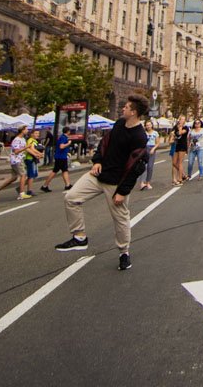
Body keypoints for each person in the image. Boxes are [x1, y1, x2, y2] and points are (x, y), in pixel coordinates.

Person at [56, 95, 150, 272]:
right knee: (71, 197)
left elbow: (137, 167)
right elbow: (104, 144)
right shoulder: (119, 124)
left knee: (120, 218)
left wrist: (122, 191)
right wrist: (97, 160)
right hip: (98, 174)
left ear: (134, 112)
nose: (123, 109)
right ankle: (80, 237)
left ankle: (124, 252)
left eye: (126, 107)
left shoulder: (139, 136)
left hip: (116, 183)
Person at [0, 125, 28, 201]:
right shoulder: (16, 140)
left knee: (14, 178)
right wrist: (26, 148)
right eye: (26, 129)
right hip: (17, 160)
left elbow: (26, 148)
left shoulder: (23, 139)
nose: (27, 131)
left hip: (19, 159)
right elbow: (16, 151)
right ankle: (21, 194)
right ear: (22, 130)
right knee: (23, 175)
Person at [41, 127, 73, 192]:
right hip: (61, 157)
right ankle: (45, 185)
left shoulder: (63, 137)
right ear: (68, 131)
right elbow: (61, 146)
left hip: (61, 156)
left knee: (64, 170)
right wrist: (68, 143)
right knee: (56, 171)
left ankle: (67, 184)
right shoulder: (64, 138)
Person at [22, 129, 44, 198]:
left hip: (33, 159)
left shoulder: (34, 141)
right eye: (36, 133)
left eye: (38, 133)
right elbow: (31, 149)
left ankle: (22, 186)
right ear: (31, 134)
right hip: (30, 159)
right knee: (31, 175)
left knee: (34, 174)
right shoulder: (30, 140)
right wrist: (39, 153)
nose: (37, 134)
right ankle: (29, 190)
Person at [139, 121, 159, 190]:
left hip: (152, 148)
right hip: (145, 148)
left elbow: (157, 143)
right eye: (147, 125)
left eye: (149, 125)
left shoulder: (155, 133)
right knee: (144, 166)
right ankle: (142, 183)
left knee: (150, 167)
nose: (148, 126)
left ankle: (148, 182)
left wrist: (153, 149)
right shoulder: (144, 133)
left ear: (152, 125)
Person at [171, 118, 189, 185]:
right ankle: (183, 175)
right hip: (177, 145)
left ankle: (180, 178)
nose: (181, 120)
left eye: (183, 119)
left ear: (184, 121)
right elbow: (176, 134)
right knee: (174, 163)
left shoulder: (186, 127)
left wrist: (180, 127)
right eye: (180, 119)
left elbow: (181, 133)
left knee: (180, 162)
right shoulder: (176, 128)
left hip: (183, 145)